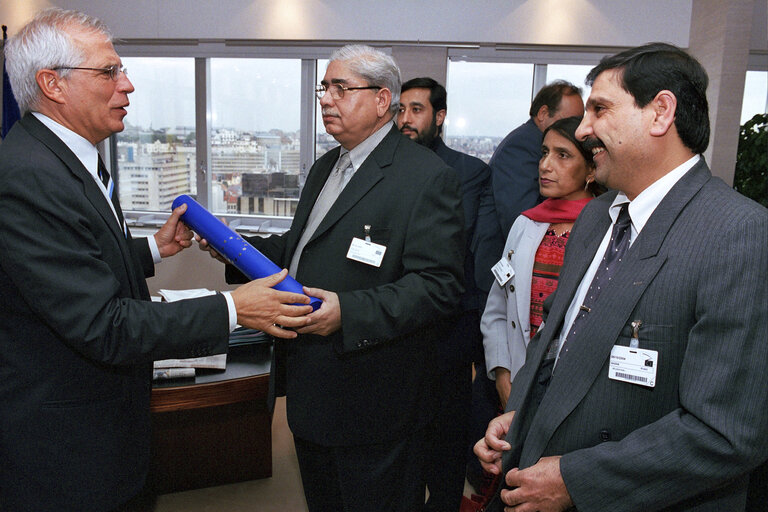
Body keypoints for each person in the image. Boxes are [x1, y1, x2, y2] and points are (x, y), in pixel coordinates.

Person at [0, 9, 312, 512]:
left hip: (104, 427)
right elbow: (102, 323)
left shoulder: (64, 158)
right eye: (109, 71)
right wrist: (235, 309)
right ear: (52, 84)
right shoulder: (30, 177)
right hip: (65, 450)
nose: (128, 85)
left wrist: (152, 249)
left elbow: (73, 259)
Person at [474, 42, 768, 511]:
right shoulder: (596, 219)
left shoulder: (739, 233)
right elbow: (557, 340)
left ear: (660, 113)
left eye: (600, 109)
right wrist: (519, 412)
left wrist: (576, 481)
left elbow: (726, 431)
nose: (584, 128)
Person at [209, 46, 465, 512]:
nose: (326, 98)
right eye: (324, 87)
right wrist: (229, 246)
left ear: (382, 99)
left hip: (375, 401)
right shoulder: (327, 166)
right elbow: (300, 251)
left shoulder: (426, 177)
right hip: (314, 392)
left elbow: (438, 286)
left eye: (341, 88)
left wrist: (348, 313)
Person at [397, 76, 499, 512]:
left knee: (444, 440)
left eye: (416, 110)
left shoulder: (468, 172)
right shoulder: (385, 169)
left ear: (439, 117)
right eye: (400, 110)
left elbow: (466, 251)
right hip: (392, 326)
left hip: (448, 328)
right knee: (399, 439)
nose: (405, 119)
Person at [482, 116, 599, 408]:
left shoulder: (607, 229)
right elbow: (497, 306)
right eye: (544, 152)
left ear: (591, 170)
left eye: (563, 155)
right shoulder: (525, 224)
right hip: (519, 379)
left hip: (578, 388)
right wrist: (502, 372)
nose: (546, 165)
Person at [484, 80, 584, 236]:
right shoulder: (520, 146)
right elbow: (521, 217)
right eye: (569, 121)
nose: (577, 129)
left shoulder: (531, 140)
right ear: (543, 114)